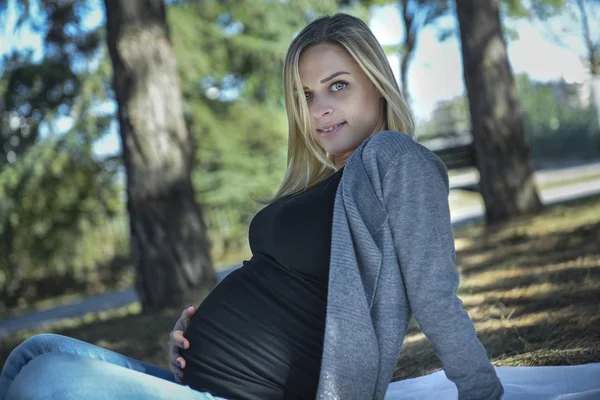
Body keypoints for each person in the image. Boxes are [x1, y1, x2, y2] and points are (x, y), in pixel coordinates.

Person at [0, 13, 504, 400]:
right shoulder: (329, 181)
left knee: (47, 378)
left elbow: (435, 292)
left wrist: (483, 392)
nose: (319, 109)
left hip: (254, 392)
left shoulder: (396, 160)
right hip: (210, 381)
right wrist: (192, 337)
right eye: (306, 96)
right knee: (36, 351)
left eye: (338, 86)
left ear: (376, 81)